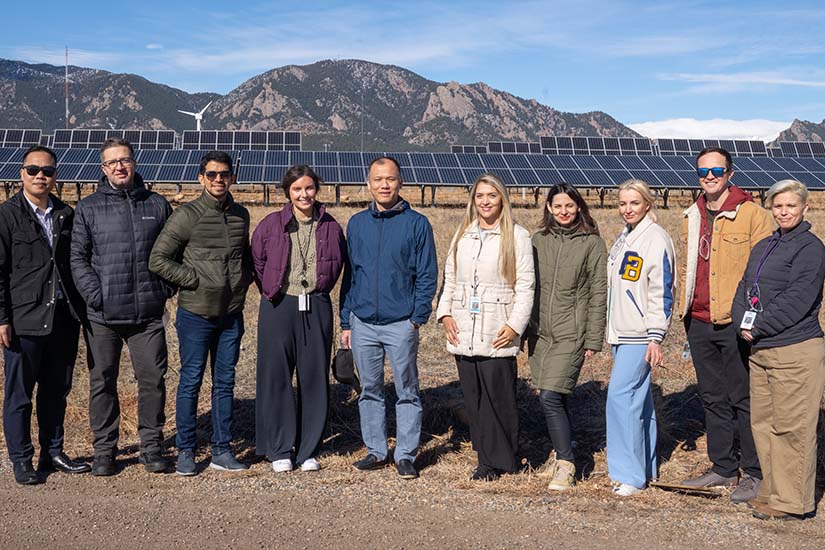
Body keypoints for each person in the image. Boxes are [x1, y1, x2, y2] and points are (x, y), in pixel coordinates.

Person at [71, 138, 173, 476]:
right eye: (112, 162)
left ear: (134, 162)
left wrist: (164, 290)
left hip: (147, 314)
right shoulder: (88, 208)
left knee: (152, 381)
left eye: (125, 160)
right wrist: (96, 296)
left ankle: (152, 446)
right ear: (103, 168)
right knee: (102, 381)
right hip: (103, 316)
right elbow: (78, 259)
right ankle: (104, 450)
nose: (119, 166)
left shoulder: (157, 204)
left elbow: (173, 252)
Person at [149, 150, 253, 476]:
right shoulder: (187, 215)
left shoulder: (241, 215)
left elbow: (242, 257)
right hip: (195, 314)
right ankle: (186, 451)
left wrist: (243, 280)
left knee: (224, 384)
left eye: (224, 174)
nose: (218, 179)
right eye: (212, 174)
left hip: (230, 315)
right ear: (201, 178)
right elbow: (159, 259)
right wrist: (192, 279)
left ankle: (223, 449)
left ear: (232, 177)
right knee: (191, 382)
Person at [677, 146, 772, 503]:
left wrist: (755, 319)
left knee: (743, 398)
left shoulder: (752, 215)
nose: (710, 177)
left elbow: (764, 273)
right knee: (713, 398)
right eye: (703, 171)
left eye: (717, 171)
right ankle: (722, 467)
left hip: (734, 322)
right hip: (698, 320)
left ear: (731, 173)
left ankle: (755, 472)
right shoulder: (692, 214)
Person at [731, 180, 825, 520]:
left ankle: (793, 502)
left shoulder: (810, 248)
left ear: (804, 208)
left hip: (795, 349)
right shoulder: (765, 245)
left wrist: (757, 326)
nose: (784, 211)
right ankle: (773, 492)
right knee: (765, 425)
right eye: (778, 206)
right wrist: (740, 320)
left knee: (793, 428)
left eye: (791, 206)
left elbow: (799, 298)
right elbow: (745, 287)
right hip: (762, 349)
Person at [339, 156, 437, 480]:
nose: (384, 185)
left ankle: (405, 454)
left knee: (407, 390)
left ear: (400, 183)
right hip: (363, 322)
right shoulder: (356, 224)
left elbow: (426, 274)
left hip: (400, 323)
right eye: (378, 179)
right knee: (369, 389)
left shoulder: (417, 224)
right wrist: (345, 320)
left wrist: (417, 317)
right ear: (368, 183)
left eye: (390, 179)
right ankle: (376, 451)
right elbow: (350, 275)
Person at [0, 146, 90, 485]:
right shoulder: (6, 216)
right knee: (19, 395)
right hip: (23, 319)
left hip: (63, 319)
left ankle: (52, 451)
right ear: (21, 173)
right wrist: (1, 318)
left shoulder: (67, 214)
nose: (41, 175)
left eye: (47, 170)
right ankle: (21, 460)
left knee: (56, 391)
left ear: (55, 176)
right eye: (33, 169)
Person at [435, 173, 534, 481]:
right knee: (474, 395)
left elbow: (526, 285)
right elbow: (450, 279)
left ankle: (504, 457)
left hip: (497, 325)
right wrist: (446, 314)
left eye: (492, 195)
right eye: (480, 196)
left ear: (502, 199)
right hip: (463, 325)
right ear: (473, 200)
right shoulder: (463, 234)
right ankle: (485, 456)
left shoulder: (517, 235)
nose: (485, 201)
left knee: (499, 395)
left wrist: (515, 325)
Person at [251, 165, 346, 473]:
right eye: (297, 189)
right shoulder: (270, 225)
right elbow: (257, 262)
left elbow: (340, 261)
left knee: (314, 377)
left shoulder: (331, 226)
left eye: (309, 188)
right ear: (287, 193)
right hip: (279, 306)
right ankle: (279, 448)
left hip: (316, 305)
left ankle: (308, 450)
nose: (304, 194)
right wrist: (272, 289)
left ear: (316, 190)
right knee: (276, 377)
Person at [528, 183, 606, 491]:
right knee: (552, 396)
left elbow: (600, 293)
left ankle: (567, 463)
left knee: (550, 395)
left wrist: (592, 338)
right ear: (548, 207)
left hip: (571, 332)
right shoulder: (537, 240)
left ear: (579, 208)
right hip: (540, 333)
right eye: (557, 206)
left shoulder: (592, 244)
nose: (563, 211)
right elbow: (526, 286)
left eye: (569, 206)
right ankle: (562, 452)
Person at [605, 179, 675, 496]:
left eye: (634, 203)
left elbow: (662, 292)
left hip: (640, 335)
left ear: (647, 203)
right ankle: (645, 467)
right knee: (638, 403)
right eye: (623, 203)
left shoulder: (656, 239)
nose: (628, 209)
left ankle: (629, 475)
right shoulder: (625, 237)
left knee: (620, 400)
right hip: (621, 332)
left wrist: (655, 336)